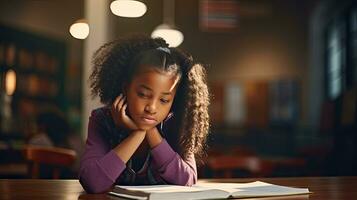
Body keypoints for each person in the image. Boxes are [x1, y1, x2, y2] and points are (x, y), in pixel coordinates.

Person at [79, 35, 210, 193]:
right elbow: (92, 182)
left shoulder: (180, 123)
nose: (152, 107)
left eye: (164, 100)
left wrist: (149, 131)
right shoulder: (102, 120)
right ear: (125, 88)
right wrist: (137, 135)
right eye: (143, 94)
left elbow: (187, 179)